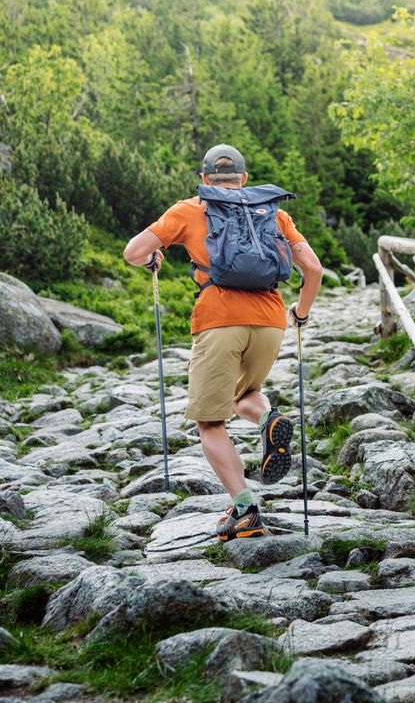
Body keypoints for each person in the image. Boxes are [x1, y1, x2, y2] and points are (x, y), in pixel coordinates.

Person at [123, 144, 322, 540]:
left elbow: (133, 252)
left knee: (210, 422)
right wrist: (300, 313)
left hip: (218, 321)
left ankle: (245, 511)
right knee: (247, 392)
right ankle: (268, 418)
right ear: (244, 180)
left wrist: (151, 260)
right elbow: (313, 269)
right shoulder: (274, 213)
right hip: (269, 320)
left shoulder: (190, 209)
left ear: (204, 180)